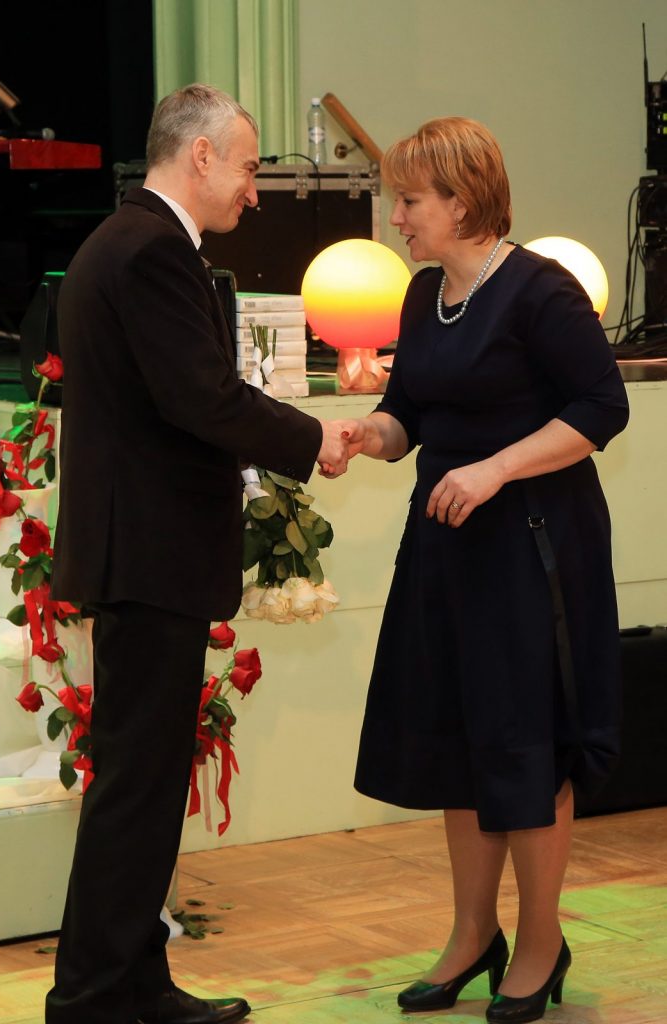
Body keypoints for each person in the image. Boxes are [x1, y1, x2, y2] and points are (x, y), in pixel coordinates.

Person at [47, 84, 349, 1024]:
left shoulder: (128, 241)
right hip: (148, 558)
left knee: (141, 785)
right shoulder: (151, 251)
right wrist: (315, 439)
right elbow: (202, 399)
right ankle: (94, 996)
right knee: (137, 788)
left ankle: (131, 983)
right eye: (249, 168)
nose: (256, 191)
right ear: (201, 155)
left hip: (139, 556)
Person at [331, 117, 629, 1023]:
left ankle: (539, 942)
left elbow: (602, 407)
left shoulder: (541, 290)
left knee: (525, 744)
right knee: (457, 741)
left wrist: (495, 468)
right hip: (446, 549)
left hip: (532, 551)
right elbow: (409, 415)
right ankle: (471, 935)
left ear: (461, 205)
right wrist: (366, 436)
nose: (396, 218)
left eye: (408, 201)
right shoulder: (425, 293)